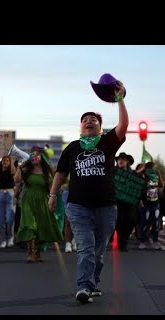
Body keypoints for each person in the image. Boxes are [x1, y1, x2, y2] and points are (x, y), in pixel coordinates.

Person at [48, 79, 128, 304]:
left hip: (106, 207)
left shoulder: (108, 143)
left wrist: (120, 100)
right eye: (85, 120)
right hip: (78, 206)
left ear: (100, 128)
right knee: (85, 247)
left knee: (98, 251)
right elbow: (61, 173)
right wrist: (53, 195)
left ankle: (92, 281)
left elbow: (123, 126)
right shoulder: (72, 147)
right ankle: (84, 286)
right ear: (80, 127)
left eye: (93, 120)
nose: (89, 122)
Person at [14, 146, 63, 262]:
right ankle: (30, 253)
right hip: (28, 200)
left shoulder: (46, 172)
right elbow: (16, 180)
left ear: (43, 157)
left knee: (40, 227)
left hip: (42, 201)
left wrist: (53, 200)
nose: (34, 156)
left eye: (37, 154)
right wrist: (20, 167)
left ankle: (37, 253)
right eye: (32, 154)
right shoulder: (26, 170)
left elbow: (53, 188)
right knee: (30, 225)